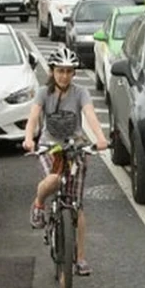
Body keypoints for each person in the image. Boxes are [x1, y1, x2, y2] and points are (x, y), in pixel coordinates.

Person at [22, 46, 108, 276]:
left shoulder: (81, 93)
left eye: (69, 71)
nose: (64, 76)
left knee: (76, 206)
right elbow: (33, 118)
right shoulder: (43, 92)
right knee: (53, 179)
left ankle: (80, 258)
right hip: (51, 147)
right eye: (60, 71)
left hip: (75, 147)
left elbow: (90, 115)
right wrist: (29, 138)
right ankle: (39, 204)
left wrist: (100, 138)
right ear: (52, 71)